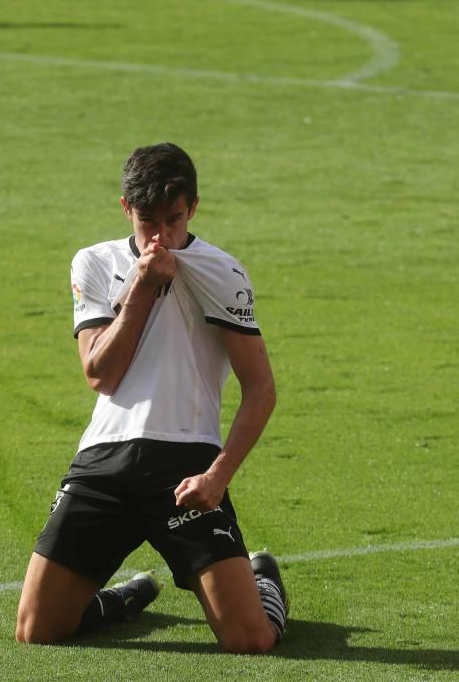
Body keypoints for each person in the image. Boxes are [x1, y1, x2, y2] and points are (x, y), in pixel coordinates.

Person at [16, 143, 288, 653]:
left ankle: (263, 582)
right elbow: (100, 374)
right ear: (125, 208)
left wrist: (218, 475)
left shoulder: (222, 272)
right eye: (148, 223)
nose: (161, 237)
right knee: (37, 631)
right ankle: (118, 602)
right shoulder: (95, 262)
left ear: (194, 208)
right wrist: (141, 285)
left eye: (175, 219)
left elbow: (261, 389)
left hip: (186, 465)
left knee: (249, 640)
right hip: (103, 462)